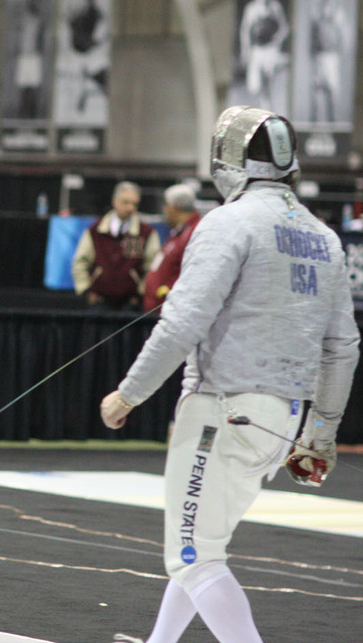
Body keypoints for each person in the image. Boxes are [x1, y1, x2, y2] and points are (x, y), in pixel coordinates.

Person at [102, 106, 359, 643]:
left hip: (221, 411)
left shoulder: (227, 223)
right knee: (203, 545)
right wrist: (321, 435)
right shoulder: (323, 238)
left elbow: (181, 324)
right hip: (282, 422)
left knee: (192, 557)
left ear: (231, 159)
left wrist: (128, 394)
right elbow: (343, 349)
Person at [71, 181, 160, 310]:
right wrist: (86, 291)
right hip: (98, 302)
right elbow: (80, 262)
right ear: (114, 201)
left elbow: (152, 267)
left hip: (131, 304)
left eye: (134, 204)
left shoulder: (146, 233)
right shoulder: (95, 231)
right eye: (126, 202)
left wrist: (141, 293)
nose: (130, 208)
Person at [142, 184, 201, 313]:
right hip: (159, 311)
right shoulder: (178, 232)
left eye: (166, 205)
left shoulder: (193, 233)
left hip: (172, 313)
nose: (164, 209)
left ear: (176, 208)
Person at [238, 0, 289, 111]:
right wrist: (245, 50)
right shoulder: (251, 9)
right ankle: (261, 110)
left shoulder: (275, 7)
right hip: (256, 50)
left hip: (270, 49)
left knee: (267, 85)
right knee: (254, 87)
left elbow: (284, 28)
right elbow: (245, 31)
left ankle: (267, 112)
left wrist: (277, 42)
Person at [308, 0, 346, 123]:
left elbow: (342, 37)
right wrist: (313, 57)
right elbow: (312, 35)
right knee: (316, 95)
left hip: (332, 58)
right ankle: (313, 130)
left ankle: (334, 129)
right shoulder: (316, 9)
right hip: (319, 57)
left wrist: (338, 58)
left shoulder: (338, 10)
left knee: (333, 96)